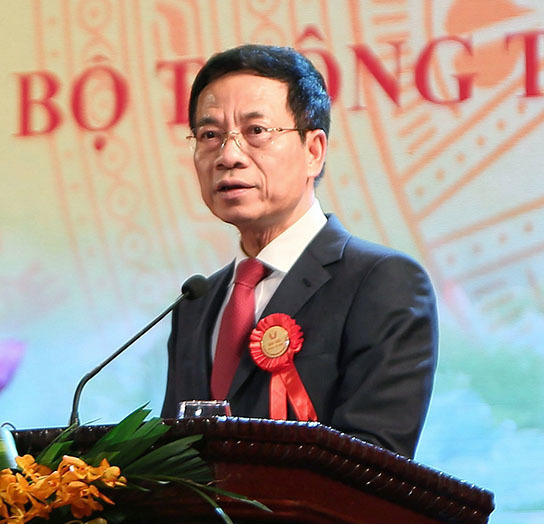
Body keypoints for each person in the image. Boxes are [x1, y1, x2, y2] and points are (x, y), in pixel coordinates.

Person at [161, 44, 437, 459]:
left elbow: (376, 462)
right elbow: (174, 459)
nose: (228, 156)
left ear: (314, 151)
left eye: (256, 131)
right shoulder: (194, 305)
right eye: (210, 135)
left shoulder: (382, 282)